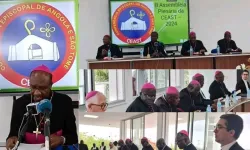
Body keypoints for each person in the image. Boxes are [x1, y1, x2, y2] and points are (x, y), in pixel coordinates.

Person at [6, 65, 78, 149]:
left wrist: (62, 139)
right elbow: (12, 134)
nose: (37, 93)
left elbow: (73, 137)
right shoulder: (19, 103)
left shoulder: (64, 102)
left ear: (51, 85)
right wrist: (11, 139)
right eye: (33, 87)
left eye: (42, 88)